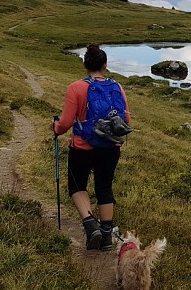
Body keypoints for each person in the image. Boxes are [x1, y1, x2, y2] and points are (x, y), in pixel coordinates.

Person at [53, 44, 131, 251]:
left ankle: (90, 224)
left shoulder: (76, 88)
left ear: (85, 64)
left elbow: (65, 123)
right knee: (104, 187)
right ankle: (106, 235)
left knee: (78, 186)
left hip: (82, 147)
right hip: (110, 146)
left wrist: (55, 128)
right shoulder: (117, 87)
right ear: (105, 65)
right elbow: (126, 119)